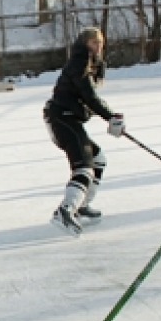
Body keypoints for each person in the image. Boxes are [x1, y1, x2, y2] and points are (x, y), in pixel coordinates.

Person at [43, 27, 125, 237]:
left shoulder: (91, 64)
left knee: (98, 159)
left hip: (69, 119)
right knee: (84, 166)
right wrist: (111, 117)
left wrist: (109, 117)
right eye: (93, 43)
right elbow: (88, 95)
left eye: (100, 43)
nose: (98, 47)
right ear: (84, 44)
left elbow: (87, 98)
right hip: (61, 118)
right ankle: (66, 210)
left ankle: (81, 206)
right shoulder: (79, 61)